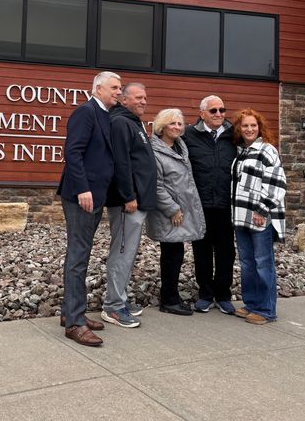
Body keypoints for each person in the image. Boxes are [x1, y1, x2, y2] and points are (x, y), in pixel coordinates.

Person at [57, 71, 122, 346]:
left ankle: (72, 312)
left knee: (81, 254)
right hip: (82, 196)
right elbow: (72, 151)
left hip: (96, 195)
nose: (119, 92)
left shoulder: (104, 114)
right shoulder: (85, 112)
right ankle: (74, 323)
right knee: (78, 256)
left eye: (120, 88)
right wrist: (83, 188)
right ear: (98, 89)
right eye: (114, 87)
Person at [102, 83, 157, 328]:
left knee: (128, 252)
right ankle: (113, 307)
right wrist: (128, 196)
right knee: (122, 252)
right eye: (138, 97)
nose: (144, 101)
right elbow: (121, 162)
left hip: (136, 201)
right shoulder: (121, 123)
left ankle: (120, 300)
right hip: (128, 204)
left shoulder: (132, 122)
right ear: (124, 100)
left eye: (145, 97)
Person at [230, 108, 287, 325]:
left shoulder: (266, 150)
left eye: (253, 125)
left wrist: (262, 210)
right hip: (241, 217)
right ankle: (251, 303)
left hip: (259, 217)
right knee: (247, 263)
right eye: (245, 125)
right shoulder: (242, 152)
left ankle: (266, 309)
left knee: (263, 263)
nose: (249, 129)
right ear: (239, 128)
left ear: (259, 127)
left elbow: (277, 183)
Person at [147, 108, 206, 315]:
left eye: (180, 124)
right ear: (162, 126)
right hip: (169, 213)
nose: (177, 127)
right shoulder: (155, 151)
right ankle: (169, 300)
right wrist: (172, 209)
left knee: (176, 254)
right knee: (172, 254)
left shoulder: (181, 147)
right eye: (172, 123)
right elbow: (156, 185)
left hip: (182, 211)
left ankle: (171, 296)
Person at [182, 95, 238, 315]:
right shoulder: (189, 135)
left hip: (226, 205)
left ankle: (223, 295)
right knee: (202, 250)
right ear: (202, 113)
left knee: (226, 252)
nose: (219, 114)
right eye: (213, 111)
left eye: (222, 110)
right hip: (200, 205)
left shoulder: (234, 135)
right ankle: (205, 294)